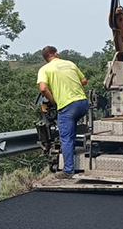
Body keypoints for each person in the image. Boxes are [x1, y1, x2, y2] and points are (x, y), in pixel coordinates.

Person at [37, 46, 89, 178]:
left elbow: (43, 88)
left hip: (67, 107)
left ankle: (68, 170)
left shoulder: (45, 69)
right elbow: (84, 80)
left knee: (66, 138)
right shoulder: (70, 63)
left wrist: (53, 100)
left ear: (45, 59)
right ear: (56, 54)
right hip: (82, 104)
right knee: (73, 130)